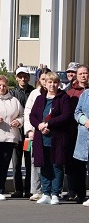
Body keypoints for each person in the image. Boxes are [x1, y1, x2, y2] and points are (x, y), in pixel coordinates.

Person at [30, 71, 71, 205]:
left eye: (55, 82)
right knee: (44, 165)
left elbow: (66, 115)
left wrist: (49, 124)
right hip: (42, 138)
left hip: (57, 138)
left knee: (57, 165)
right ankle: (46, 193)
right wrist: (39, 125)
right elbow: (32, 116)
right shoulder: (40, 99)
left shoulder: (63, 98)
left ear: (58, 84)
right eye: (50, 82)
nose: (52, 85)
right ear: (45, 84)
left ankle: (55, 194)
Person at [9, 66, 35, 198]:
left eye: (25, 76)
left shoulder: (33, 92)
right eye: (20, 76)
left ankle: (29, 189)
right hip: (16, 133)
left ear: (29, 77)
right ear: (16, 78)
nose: (23, 79)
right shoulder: (12, 93)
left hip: (28, 134)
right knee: (16, 162)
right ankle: (18, 189)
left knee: (29, 161)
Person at [66, 64, 88, 203]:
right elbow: (74, 112)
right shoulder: (71, 92)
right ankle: (77, 192)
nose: (83, 76)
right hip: (75, 133)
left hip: (85, 133)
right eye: (80, 74)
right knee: (76, 165)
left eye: (85, 73)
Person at [25, 70, 48, 201]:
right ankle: (36, 190)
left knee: (50, 162)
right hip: (36, 132)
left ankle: (49, 190)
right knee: (35, 161)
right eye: (43, 79)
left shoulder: (58, 93)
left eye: (47, 79)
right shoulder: (35, 94)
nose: (45, 82)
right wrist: (29, 130)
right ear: (39, 80)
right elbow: (28, 113)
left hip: (50, 132)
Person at [72, 72, 89, 208]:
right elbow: (77, 112)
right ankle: (81, 194)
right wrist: (84, 121)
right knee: (80, 168)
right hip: (84, 137)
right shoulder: (85, 95)